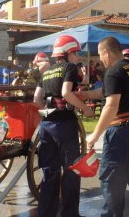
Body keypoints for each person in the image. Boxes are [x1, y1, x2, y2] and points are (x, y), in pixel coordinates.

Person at [83, 37, 129, 217]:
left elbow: (111, 105)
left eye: (100, 55)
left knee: (111, 180)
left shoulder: (113, 71)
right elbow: (109, 91)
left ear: (106, 52)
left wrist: (95, 135)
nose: (100, 59)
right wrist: (84, 94)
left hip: (122, 130)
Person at [33, 35, 94, 217]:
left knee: (49, 174)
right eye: (75, 53)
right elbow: (66, 92)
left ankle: (46, 213)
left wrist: (50, 110)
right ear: (67, 53)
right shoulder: (70, 67)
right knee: (70, 173)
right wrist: (85, 109)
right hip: (65, 126)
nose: (77, 57)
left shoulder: (47, 72)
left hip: (46, 127)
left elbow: (36, 100)